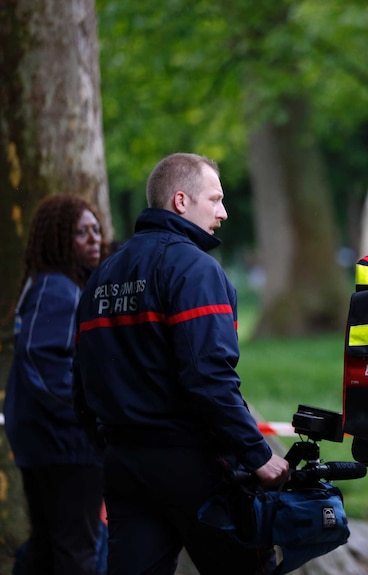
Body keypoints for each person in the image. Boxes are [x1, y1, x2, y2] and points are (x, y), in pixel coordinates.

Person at [74, 153, 290, 575]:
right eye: (215, 199)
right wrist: (257, 455)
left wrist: (109, 447)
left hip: (122, 465)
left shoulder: (101, 276)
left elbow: (80, 382)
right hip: (193, 465)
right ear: (180, 201)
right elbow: (209, 377)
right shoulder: (195, 270)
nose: (223, 213)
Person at [4, 194, 108, 574]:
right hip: (64, 445)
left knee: (48, 546)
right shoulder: (56, 289)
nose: (94, 239)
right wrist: (88, 416)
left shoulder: (52, 286)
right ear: (58, 239)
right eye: (81, 233)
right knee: (75, 548)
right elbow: (43, 362)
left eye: (96, 229)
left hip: (48, 442)